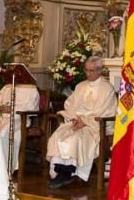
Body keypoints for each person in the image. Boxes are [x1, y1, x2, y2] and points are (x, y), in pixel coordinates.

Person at [46, 56, 117, 188]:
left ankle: (67, 174)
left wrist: (84, 121)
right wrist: (74, 118)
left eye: (92, 70)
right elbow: (69, 105)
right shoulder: (80, 86)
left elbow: (106, 111)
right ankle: (59, 172)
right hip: (76, 122)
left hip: (94, 127)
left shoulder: (107, 89)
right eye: (87, 70)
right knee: (58, 135)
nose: (89, 74)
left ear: (100, 70)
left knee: (75, 139)